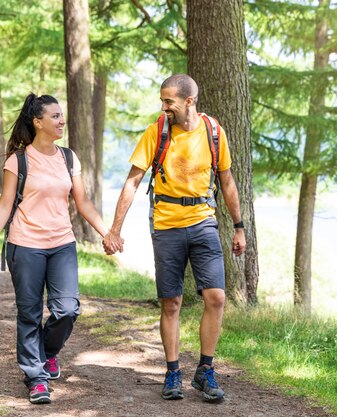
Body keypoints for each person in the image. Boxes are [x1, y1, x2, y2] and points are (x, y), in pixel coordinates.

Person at [103, 74, 246, 402]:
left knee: (216, 298)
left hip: (203, 223)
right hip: (166, 226)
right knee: (172, 302)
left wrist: (239, 227)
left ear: (189, 101)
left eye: (169, 101)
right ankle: (172, 372)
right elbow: (132, 181)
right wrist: (115, 229)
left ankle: (205, 371)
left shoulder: (213, 132)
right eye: (162, 100)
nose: (164, 107)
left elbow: (227, 181)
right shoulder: (157, 132)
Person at [0, 93, 112, 405]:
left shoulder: (68, 158)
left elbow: (83, 203)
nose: (61, 121)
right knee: (29, 313)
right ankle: (36, 378)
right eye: (55, 116)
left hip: (62, 244)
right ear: (38, 122)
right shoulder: (18, 160)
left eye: (61, 115)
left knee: (68, 309)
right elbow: (4, 204)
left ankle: (46, 353)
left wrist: (108, 233)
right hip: (25, 246)